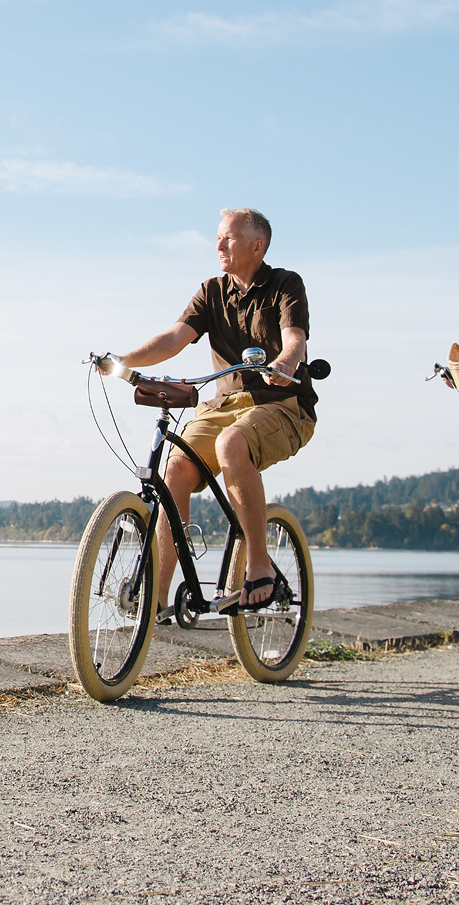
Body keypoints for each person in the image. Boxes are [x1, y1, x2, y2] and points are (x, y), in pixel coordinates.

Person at [111, 208, 318, 614]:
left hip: (282, 404)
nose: (219, 245)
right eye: (218, 237)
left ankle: (259, 566)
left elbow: (295, 338)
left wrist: (286, 363)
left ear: (257, 246)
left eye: (229, 238)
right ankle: (156, 600)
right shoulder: (211, 291)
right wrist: (123, 361)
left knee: (231, 443)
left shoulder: (285, 284)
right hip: (222, 404)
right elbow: (173, 337)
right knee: (174, 470)